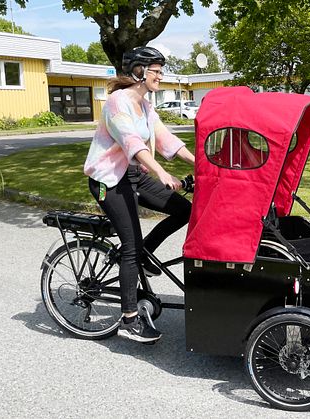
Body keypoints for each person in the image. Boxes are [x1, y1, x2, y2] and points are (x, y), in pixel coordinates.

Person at [83, 46, 195, 343]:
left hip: (134, 176)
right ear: (138, 71)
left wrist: (201, 163)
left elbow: (165, 138)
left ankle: (142, 259)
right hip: (110, 180)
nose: (160, 75)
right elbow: (133, 143)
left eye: (161, 70)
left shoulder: (145, 106)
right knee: (130, 246)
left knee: (185, 210)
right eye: (156, 70)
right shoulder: (117, 103)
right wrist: (161, 172)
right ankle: (129, 319)